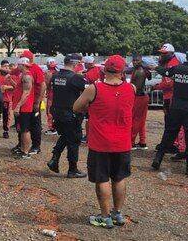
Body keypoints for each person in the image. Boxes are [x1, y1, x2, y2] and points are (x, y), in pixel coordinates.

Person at [73, 55, 134, 229]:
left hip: (100, 142)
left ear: (104, 69)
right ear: (122, 72)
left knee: (102, 179)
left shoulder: (94, 89)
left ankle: (105, 216)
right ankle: (117, 213)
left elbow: (76, 107)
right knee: (119, 178)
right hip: (122, 142)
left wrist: (92, 107)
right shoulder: (132, 88)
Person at [47, 54, 87, 178]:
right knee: (74, 140)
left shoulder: (56, 76)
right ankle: (72, 169)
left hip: (58, 112)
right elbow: (87, 91)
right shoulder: (76, 78)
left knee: (65, 136)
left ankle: (54, 158)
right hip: (71, 113)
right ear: (75, 64)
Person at [10, 57, 35, 159]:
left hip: (24, 107)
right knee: (21, 129)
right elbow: (19, 88)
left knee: (25, 130)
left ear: (22, 65)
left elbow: (26, 92)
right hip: (21, 106)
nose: (17, 67)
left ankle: (25, 152)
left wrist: (18, 106)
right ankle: (22, 149)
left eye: (19, 65)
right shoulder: (23, 75)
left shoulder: (27, 77)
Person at [130, 55, 151, 150]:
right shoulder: (140, 70)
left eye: (136, 60)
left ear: (140, 61)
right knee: (141, 120)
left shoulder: (139, 72)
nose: (134, 62)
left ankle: (131, 142)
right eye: (133, 60)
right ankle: (142, 142)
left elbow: (136, 88)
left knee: (135, 120)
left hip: (139, 97)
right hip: (142, 97)